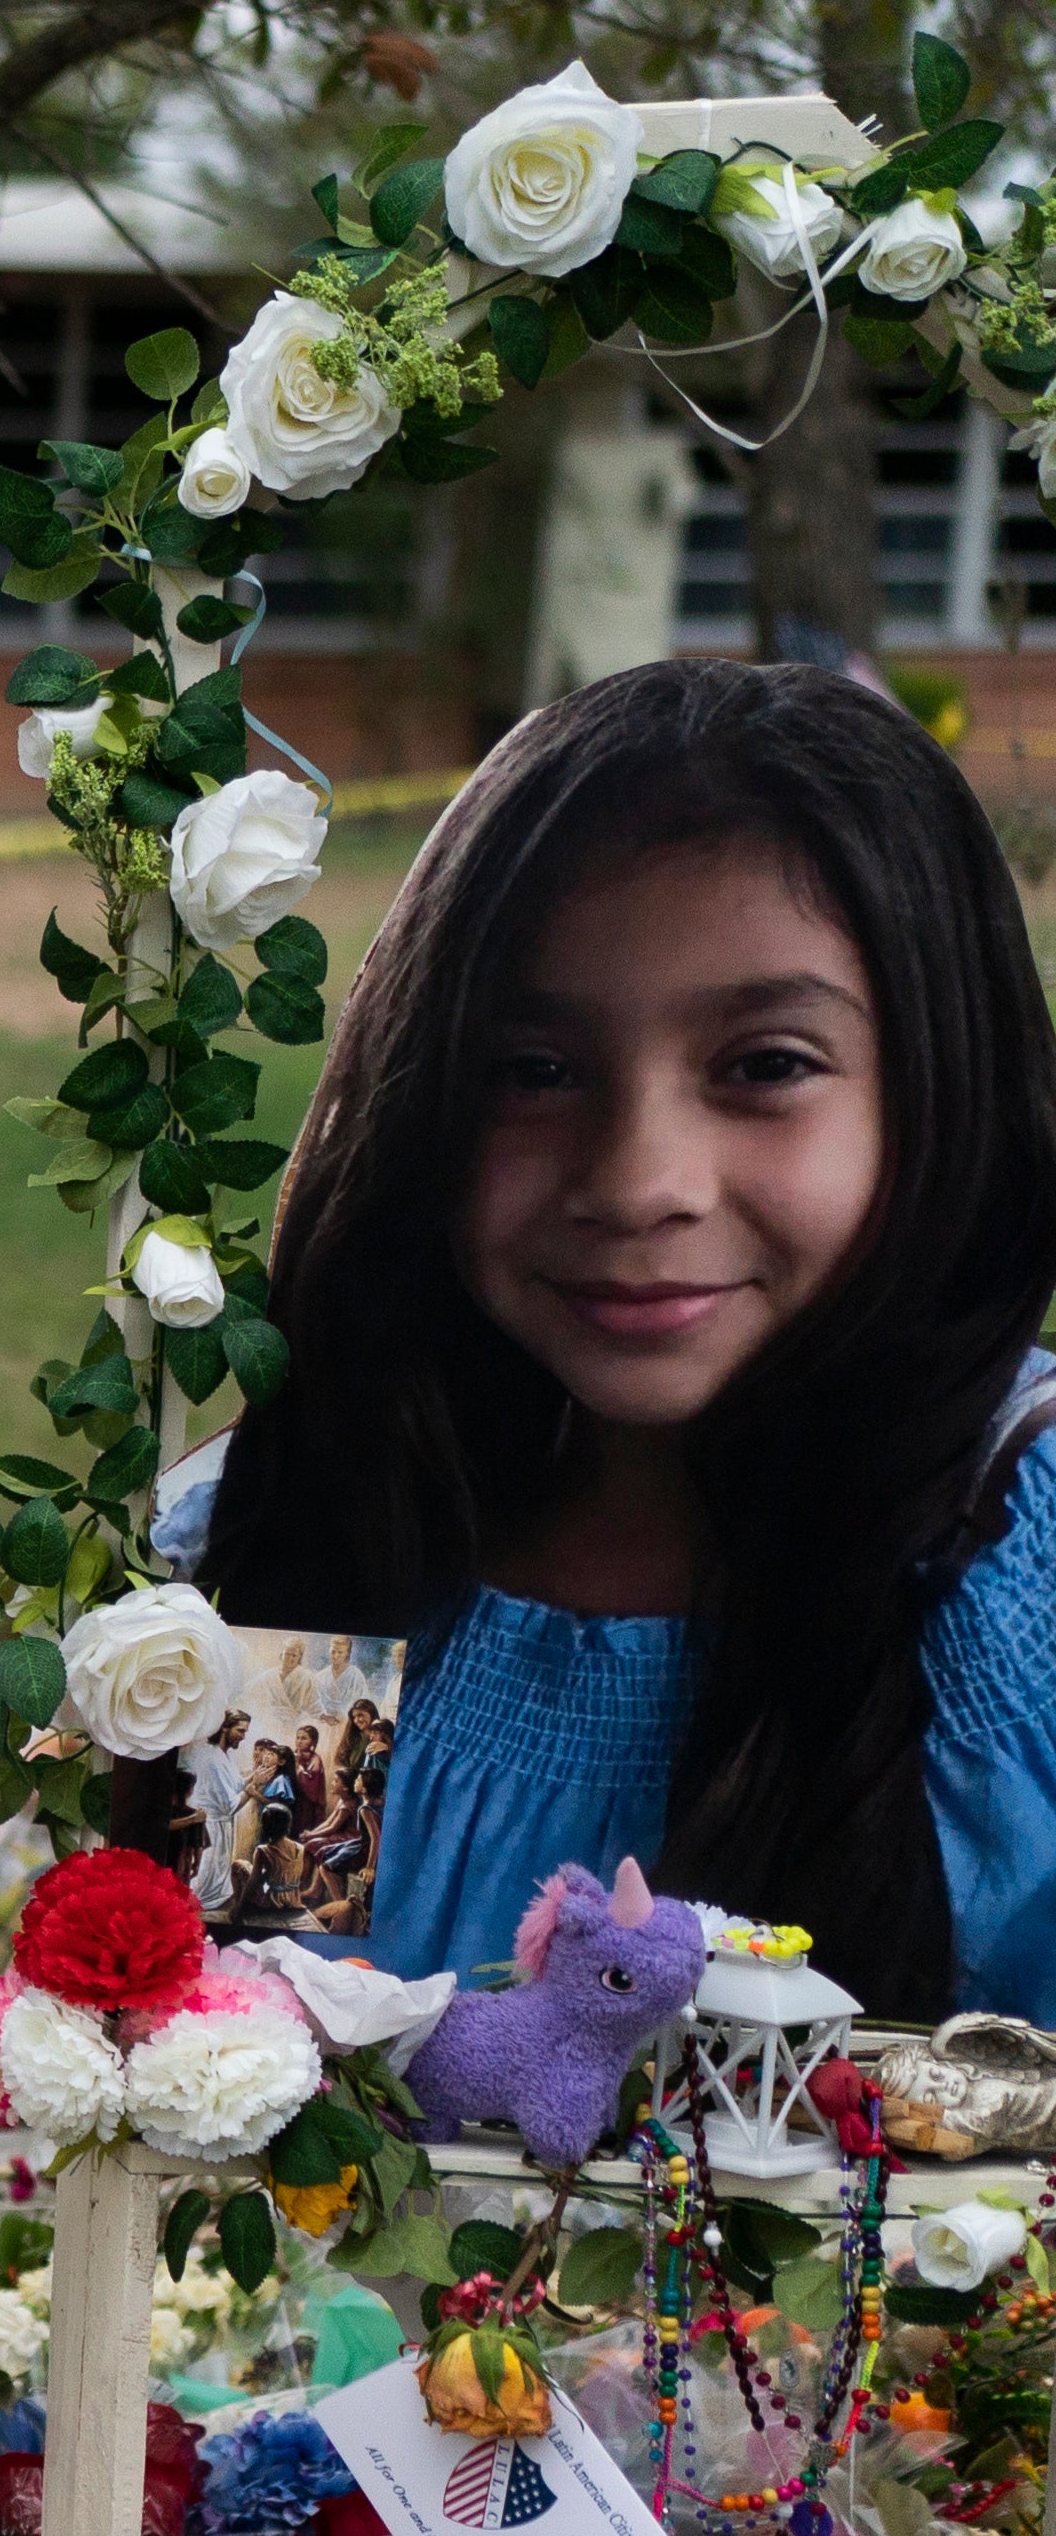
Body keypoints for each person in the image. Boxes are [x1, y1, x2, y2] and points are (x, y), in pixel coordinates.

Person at [185, 657, 1056, 2019]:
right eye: (534, 1071)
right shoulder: (319, 1529)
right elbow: (222, 2064)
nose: (641, 1179)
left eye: (766, 1064)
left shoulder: (1026, 1586)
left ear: (942, 1080)